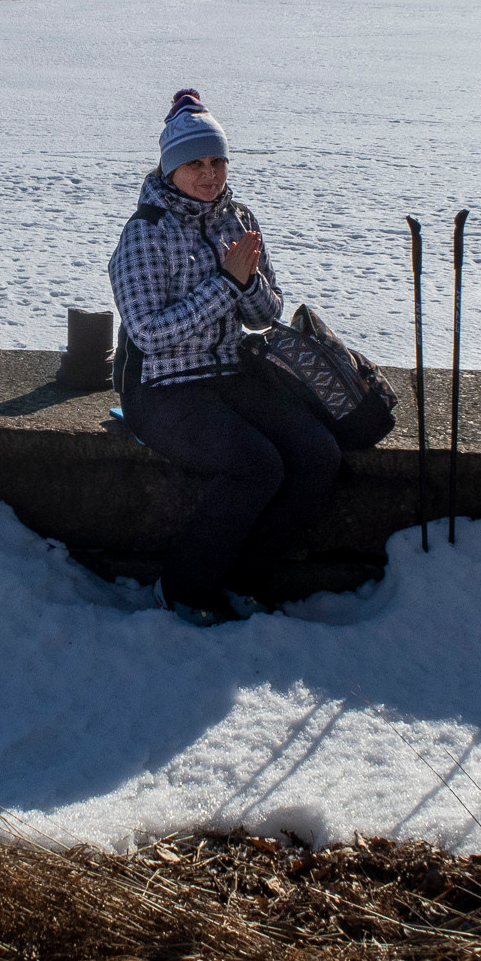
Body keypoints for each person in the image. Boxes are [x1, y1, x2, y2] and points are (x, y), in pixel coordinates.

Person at [109, 90, 339, 626]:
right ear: (170, 169)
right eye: (195, 163)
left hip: (230, 372)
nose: (209, 174)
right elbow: (148, 334)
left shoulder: (238, 218)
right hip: (162, 388)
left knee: (317, 453)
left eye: (217, 160)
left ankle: (243, 578)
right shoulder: (144, 233)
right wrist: (225, 282)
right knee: (254, 464)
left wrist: (249, 282)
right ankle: (182, 586)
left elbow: (266, 313)